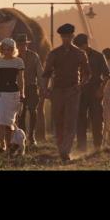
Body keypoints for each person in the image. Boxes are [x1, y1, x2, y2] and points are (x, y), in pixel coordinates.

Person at [43, 23, 90, 161]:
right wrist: (45, 89)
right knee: (58, 121)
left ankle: (65, 150)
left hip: (73, 90)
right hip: (57, 91)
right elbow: (46, 73)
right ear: (61, 37)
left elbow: (87, 73)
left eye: (68, 36)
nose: (66, 39)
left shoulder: (80, 54)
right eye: (64, 37)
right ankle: (61, 148)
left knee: (70, 121)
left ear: (72, 36)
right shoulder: (54, 53)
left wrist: (80, 85)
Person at [74, 33, 110, 152]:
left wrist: (101, 90)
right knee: (80, 120)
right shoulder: (76, 56)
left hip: (95, 91)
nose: (78, 49)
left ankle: (97, 145)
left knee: (97, 120)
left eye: (80, 46)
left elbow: (107, 75)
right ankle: (81, 146)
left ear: (85, 44)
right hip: (81, 92)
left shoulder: (99, 56)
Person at [0, 38, 25, 153]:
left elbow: (21, 79)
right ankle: (3, 145)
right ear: (1, 49)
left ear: (13, 49)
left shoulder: (19, 61)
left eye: (9, 49)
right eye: (4, 49)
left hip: (13, 94)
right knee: (1, 118)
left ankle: (11, 142)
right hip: (0, 93)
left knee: (10, 120)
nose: (7, 51)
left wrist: (22, 93)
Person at [15, 33, 44, 147]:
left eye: (23, 44)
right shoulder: (14, 57)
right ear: (17, 45)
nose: (22, 46)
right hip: (17, 88)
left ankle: (32, 135)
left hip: (31, 87)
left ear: (26, 44)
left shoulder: (34, 56)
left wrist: (42, 87)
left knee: (33, 111)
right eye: (20, 44)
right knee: (20, 114)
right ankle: (23, 137)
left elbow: (40, 72)